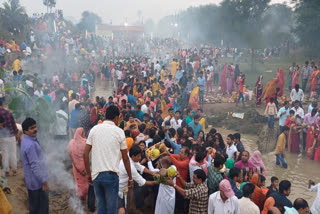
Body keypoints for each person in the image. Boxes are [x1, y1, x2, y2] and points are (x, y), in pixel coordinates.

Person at [83, 106, 133, 214]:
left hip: (96, 176)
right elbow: (125, 158)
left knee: (101, 207)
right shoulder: (119, 132)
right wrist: (130, 177)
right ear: (116, 118)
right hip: (111, 176)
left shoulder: (94, 129)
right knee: (111, 210)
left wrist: (88, 174)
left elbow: (85, 153)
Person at [21, 118, 49, 214]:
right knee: (41, 208)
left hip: (32, 181)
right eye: (31, 128)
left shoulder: (26, 140)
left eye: (35, 127)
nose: (35, 129)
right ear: (25, 131)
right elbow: (35, 166)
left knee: (34, 206)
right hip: (37, 182)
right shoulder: (31, 145)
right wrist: (44, 181)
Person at [118, 145, 156, 214]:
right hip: (117, 190)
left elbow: (140, 167)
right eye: (138, 156)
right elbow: (143, 182)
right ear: (133, 156)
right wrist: (157, 181)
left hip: (120, 188)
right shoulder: (131, 167)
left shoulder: (128, 156)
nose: (140, 158)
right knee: (121, 211)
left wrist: (152, 173)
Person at [67, 127, 88, 201]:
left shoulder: (71, 142)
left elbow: (69, 153)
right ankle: (84, 196)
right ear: (82, 134)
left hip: (75, 167)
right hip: (85, 167)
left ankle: (79, 195)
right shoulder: (86, 142)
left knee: (78, 182)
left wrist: (74, 160)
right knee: (85, 182)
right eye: (84, 133)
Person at [0, 100, 18, 176]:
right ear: (2, 104)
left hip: (2, 137)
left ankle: (7, 170)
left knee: (5, 154)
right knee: (13, 153)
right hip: (11, 136)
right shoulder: (9, 112)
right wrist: (16, 133)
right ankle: (14, 170)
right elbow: (14, 124)